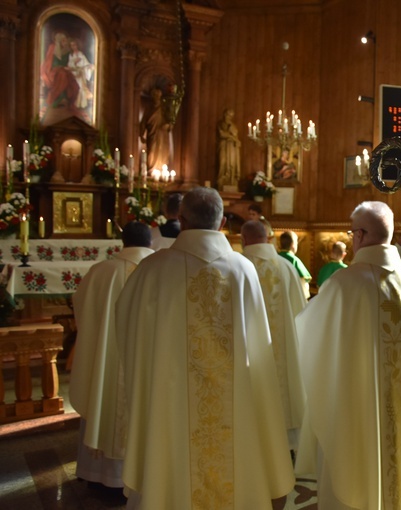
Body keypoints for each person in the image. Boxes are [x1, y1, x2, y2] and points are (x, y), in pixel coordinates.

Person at [115, 187, 294, 509]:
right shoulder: (242, 269)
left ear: (180, 220)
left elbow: (127, 330)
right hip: (236, 399)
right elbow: (259, 347)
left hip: (170, 402)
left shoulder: (153, 269)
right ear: (223, 221)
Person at [295, 201, 401, 510]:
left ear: (362, 234)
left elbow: (310, 337)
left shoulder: (345, 283)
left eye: (352, 231)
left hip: (355, 402)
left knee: (354, 464)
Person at [69, 221, 153, 490]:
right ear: (150, 242)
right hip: (148, 360)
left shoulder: (101, 271)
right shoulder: (163, 269)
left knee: (103, 397)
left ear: (122, 241)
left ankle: (98, 472)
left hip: (108, 359)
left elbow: (82, 312)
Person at [240, 219, 307, 450]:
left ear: (243, 239)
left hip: (247, 353)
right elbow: (300, 312)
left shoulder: (238, 265)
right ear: (268, 238)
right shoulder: (286, 266)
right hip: (284, 352)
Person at [40, 31, 78, 109]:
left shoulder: (67, 50)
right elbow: (48, 61)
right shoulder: (53, 47)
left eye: (65, 40)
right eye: (63, 40)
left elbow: (69, 62)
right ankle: (53, 99)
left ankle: (68, 100)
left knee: (70, 79)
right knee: (62, 75)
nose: (65, 42)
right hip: (53, 71)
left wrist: (71, 66)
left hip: (64, 70)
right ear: (59, 41)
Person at [139, 88, 171, 172]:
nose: (156, 97)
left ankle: (160, 169)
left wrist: (168, 125)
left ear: (160, 96)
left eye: (157, 95)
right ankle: (151, 168)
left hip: (162, 134)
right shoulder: (148, 108)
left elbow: (170, 120)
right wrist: (141, 134)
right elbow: (143, 122)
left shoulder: (164, 108)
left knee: (161, 150)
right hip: (152, 133)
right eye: (154, 95)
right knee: (151, 152)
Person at [278, 230, 311, 299]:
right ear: (293, 245)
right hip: (291, 297)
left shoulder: (274, 257)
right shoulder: (294, 260)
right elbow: (303, 285)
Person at [66, 38, 94, 110]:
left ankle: (82, 104)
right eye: (72, 45)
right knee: (79, 86)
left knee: (82, 86)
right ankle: (79, 103)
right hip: (73, 72)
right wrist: (74, 63)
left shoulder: (80, 54)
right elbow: (69, 65)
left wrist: (89, 66)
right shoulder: (71, 55)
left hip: (81, 72)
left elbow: (85, 64)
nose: (73, 47)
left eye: (74, 45)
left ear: (77, 46)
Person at [217, 108, 241, 188]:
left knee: (232, 164)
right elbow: (222, 134)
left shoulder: (233, 125)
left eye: (231, 116)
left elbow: (235, 134)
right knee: (223, 162)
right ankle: (222, 180)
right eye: (228, 115)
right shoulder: (221, 124)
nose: (229, 117)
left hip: (232, 147)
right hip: (224, 145)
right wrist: (232, 137)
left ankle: (231, 180)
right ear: (224, 114)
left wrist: (233, 138)